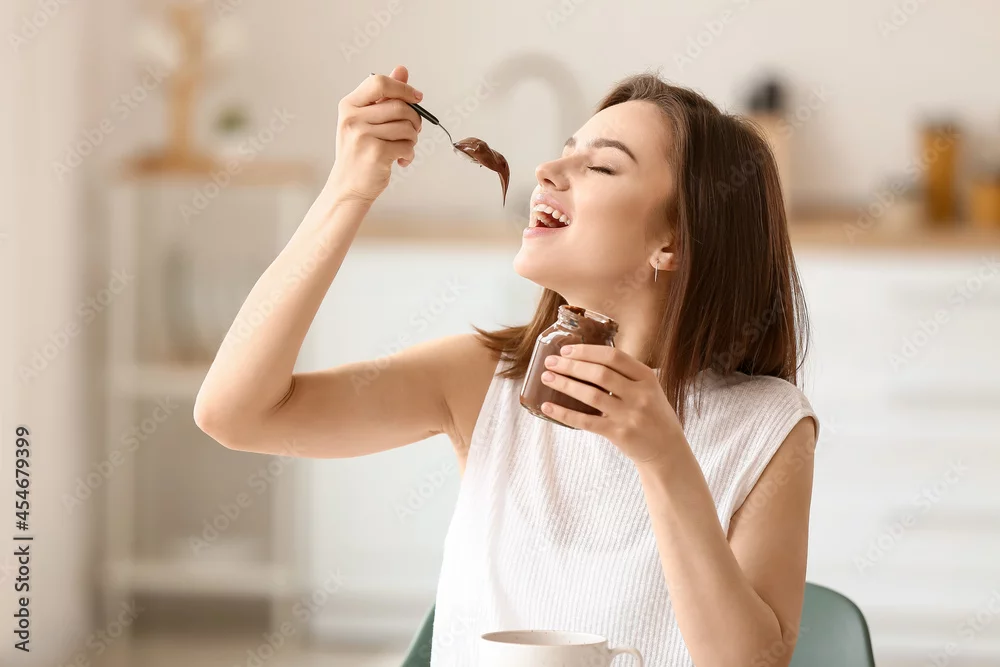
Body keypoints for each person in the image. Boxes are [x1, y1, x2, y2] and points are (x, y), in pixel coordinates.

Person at [194, 65, 820, 667]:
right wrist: (348, 189)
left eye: (600, 166)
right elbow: (237, 415)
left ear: (674, 241)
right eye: (565, 152)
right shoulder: (481, 380)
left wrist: (663, 458)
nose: (546, 171)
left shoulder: (766, 423)